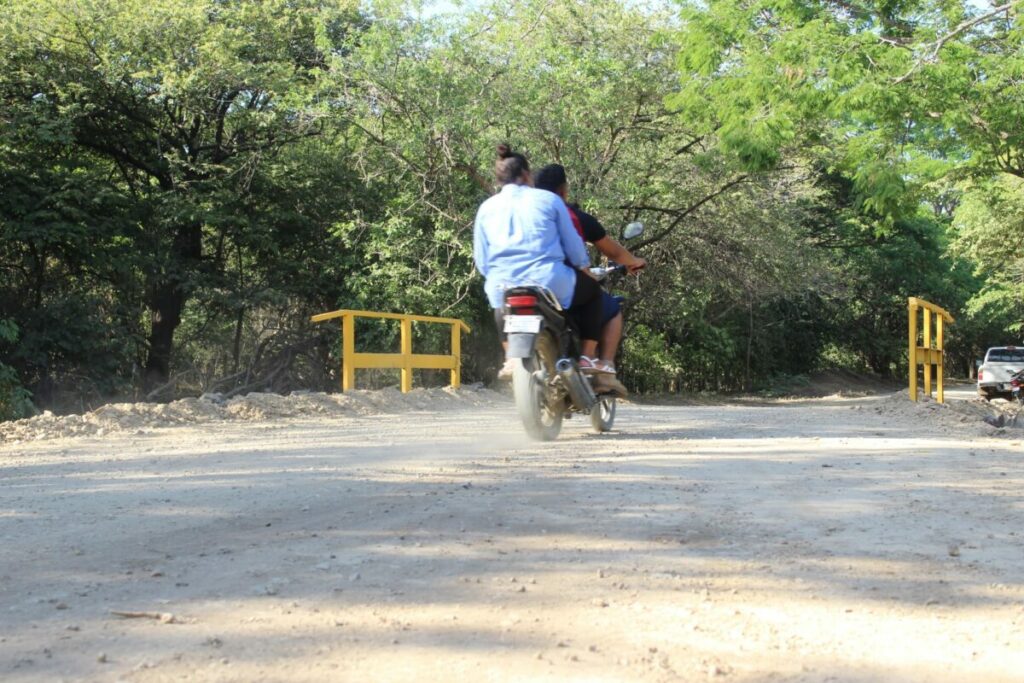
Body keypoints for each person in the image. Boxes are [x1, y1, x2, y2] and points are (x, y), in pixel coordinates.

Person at [473, 145, 607, 378]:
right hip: (550, 280)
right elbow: (574, 246)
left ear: (499, 178)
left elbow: (482, 260)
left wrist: (498, 276)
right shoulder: (549, 200)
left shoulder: (486, 208)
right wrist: (584, 269)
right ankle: (587, 357)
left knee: (500, 305)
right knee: (594, 292)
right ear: (527, 175)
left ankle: (510, 360)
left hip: (502, 283)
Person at [533, 164, 646, 376]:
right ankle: (596, 363)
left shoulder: (523, 214)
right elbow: (613, 252)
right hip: (561, 284)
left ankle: (511, 360)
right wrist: (634, 261)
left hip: (521, 281)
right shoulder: (570, 216)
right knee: (609, 306)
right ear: (563, 191)